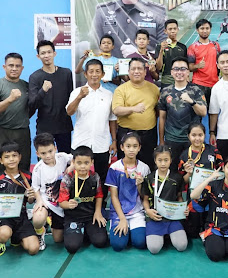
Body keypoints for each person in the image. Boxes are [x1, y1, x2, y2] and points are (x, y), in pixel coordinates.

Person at [67, 59, 117, 194]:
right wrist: (79, 97)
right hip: (80, 142)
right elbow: (69, 112)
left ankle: (100, 205)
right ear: (85, 74)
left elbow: (112, 119)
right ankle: (79, 203)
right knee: (77, 177)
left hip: (102, 144)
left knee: (102, 177)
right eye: (91, 71)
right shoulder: (77, 92)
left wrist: (114, 140)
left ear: (103, 74)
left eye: (97, 71)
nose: (94, 75)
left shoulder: (109, 95)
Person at [0, 142, 39, 257]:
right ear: (1, 160)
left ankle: (16, 238)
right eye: (7, 157)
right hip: (4, 218)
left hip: (21, 217)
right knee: (4, 233)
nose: (11, 159)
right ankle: (0, 241)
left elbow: (30, 201)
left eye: (14, 156)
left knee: (33, 249)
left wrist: (31, 197)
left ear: (20, 157)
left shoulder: (28, 177)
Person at [158, 56, 207, 172]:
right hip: (172, 138)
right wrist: (161, 140)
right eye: (176, 69)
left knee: (192, 172)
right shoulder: (165, 91)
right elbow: (162, 117)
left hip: (192, 140)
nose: (179, 72)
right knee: (173, 172)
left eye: (183, 69)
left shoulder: (196, 90)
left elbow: (203, 112)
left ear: (188, 72)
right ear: (171, 72)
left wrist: (192, 101)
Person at [105, 132, 151, 251]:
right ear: (122, 147)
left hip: (137, 212)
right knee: (118, 245)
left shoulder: (144, 168)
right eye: (128, 146)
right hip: (118, 213)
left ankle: (132, 232)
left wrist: (140, 185)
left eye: (135, 146)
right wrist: (122, 219)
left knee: (140, 243)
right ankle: (126, 231)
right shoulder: (114, 168)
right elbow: (114, 197)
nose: (131, 150)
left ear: (139, 148)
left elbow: (144, 196)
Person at [58, 146, 108, 253]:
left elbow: (99, 195)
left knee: (101, 241)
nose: (82, 166)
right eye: (79, 163)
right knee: (72, 246)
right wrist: (68, 204)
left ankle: (86, 232)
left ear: (92, 162)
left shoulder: (95, 177)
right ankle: (81, 232)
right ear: (73, 162)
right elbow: (61, 202)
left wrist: (98, 212)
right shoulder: (68, 178)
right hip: (73, 217)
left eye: (86, 163)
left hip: (91, 216)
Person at [0, 53, 31, 172]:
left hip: (22, 132)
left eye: (17, 66)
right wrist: (10, 99)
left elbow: (31, 108)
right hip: (1, 131)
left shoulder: (27, 86)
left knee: (23, 165)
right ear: (4, 67)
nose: (14, 68)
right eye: (11, 65)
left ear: (22, 68)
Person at [112, 58, 160, 167]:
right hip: (127, 133)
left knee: (148, 165)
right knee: (126, 166)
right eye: (133, 69)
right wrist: (133, 109)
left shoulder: (154, 89)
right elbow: (116, 110)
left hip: (148, 134)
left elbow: (157, 111)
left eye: (139, 69)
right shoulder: (121, 89)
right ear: (128, 71)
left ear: (145, 72)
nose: (136, 71)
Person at [179, 123, 224, 238]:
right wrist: (189, 173)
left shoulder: (213, 151)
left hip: (212, 196)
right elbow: (182, 182)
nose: (197, 138)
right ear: (188, 136)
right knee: (193, 233)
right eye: (194, 135)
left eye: (200, 135)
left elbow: (222, 172)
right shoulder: (184, 155)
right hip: (194, 198)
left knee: (209, 230)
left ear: (205, 135)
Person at [29, 40, 73, 154]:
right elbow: (32, 104)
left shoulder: (66, 73)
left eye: (49, 52)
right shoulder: (35, 77)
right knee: (44, 160)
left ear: (54, 53)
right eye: (43, 53)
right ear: (38, 56)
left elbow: (71, 97)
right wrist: (43, 90)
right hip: (44, 127)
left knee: (66, 159)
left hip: (64, 125)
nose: (46, 55)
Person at [141, 146, 188, 254]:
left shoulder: (177, 178)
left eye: (166, 160)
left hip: (172, 217)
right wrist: (148, 211)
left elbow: (179, 197)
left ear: (171, 160)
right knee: (154, 249)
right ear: (155, 161)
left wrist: (183, 208)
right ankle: (165, 236)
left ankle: (168, 235)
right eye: (160, 160)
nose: (163, 163)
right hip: (155, 217)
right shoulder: (149, 178)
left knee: (182, 246)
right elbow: (145, 199)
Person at [31, 133, 73, 250]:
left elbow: (76, 158)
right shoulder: (38, 169)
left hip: (63, 202)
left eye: (50, 151)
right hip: (48, 203)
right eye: (43, 153)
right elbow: (35, 187)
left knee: (58, 239)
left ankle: (50, 221)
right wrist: (39, 201)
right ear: (37, 154)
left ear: (55, 148)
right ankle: (39, 231)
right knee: (38, 218)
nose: (48, 156)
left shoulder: (62, 157)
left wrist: (72, 166)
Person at [187, 18, 221, 104]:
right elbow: (190, 67)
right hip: (199, 84)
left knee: (214, 110)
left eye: (207, 28)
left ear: (210, 29)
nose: (205, 31)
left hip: (215, 84)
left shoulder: (216, 45)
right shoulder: (192, 47)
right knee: (199, 110)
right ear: (197, 30)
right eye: (202, 28)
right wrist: (197, 66)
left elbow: (219, 63)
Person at [156, 19, 187, 88]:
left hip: (181, 79)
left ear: (177, 30)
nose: (173, 31)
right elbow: (158, 67)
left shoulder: (183, 47)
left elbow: (185, 66)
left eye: (174, 29)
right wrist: (161, 50)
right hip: (167, 81)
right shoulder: (159, 46)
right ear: (165, 31)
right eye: (170, 29)